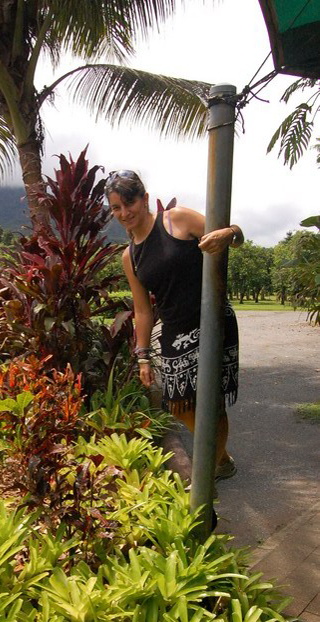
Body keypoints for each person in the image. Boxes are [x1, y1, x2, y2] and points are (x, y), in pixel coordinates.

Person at [106, 170, 244, 479]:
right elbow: (143, 311)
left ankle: (205, 478)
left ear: (144, 199)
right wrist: (142, 355)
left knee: (211, 403)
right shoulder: (131, 256)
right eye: (116, 208)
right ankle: (220, 457)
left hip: (212, 322)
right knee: (180, 406)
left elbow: (234, 237)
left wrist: (229, 231)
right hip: (175, 332)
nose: (125, 213)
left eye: (130, 203)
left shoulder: (176, 219)